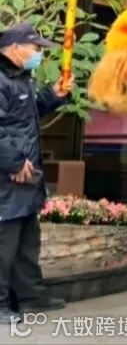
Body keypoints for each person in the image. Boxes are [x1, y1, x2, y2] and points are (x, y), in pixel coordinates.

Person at [0, 23, 72, 324]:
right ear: (16, 48)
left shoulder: (21, 79)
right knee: (4, 245)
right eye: (36, 48)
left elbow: (26, 117)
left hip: (24, 176)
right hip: (8, 176)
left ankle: (30, 296)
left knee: (27, 241)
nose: (39, 54)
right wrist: (14, 162)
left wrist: (53, 95)